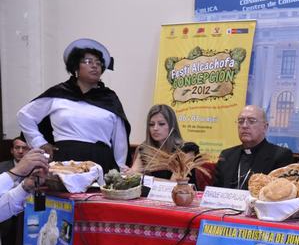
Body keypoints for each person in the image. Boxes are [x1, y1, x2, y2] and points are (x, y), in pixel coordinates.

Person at [17, 38, 131, 173]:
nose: (95, 66)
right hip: (65, 160)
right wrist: (39, 142)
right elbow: (25, 115)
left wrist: (119, 169)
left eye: (98, 63)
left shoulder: (109, 98)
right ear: (76, 66)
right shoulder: (58, 94)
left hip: (100, 161)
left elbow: (120, 140)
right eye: (88, 61)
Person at [213, 105, 293, 190]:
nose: (244, 126)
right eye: (240, 121)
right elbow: (215, 190)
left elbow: (279, 192)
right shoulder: (227, 155)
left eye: (251, 121)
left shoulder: (280, 156)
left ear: (265, 127)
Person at [129, 104, 184, 178]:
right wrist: (129, 173)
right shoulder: (144, 148)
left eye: (161, 124)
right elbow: (134, 173)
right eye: (151, 124)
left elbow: (174, 182)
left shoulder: (185, 149)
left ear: (172, 126)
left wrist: (144, 177)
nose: (155, 128)